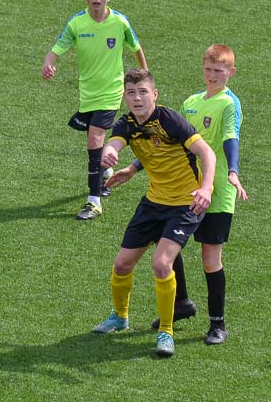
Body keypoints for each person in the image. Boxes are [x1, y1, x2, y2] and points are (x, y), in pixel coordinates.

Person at [110, 45, 247, 345]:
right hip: (184, 188)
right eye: (208, 70)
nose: (212, 76)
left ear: (230, 73)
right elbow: (168, 144)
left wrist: (233, 172)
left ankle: (217, 324)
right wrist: (134, 167)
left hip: (217, 188)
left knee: (210, 259)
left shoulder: (228, 103)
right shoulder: (191, 102)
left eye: (219, 71)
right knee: (167, 247)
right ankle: (181, 303)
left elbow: (229, 139)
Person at [92, 68, 215, 358]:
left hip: (185, 203)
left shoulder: (170, 120)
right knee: (122, 264)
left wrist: (206, 189)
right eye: (131, 93)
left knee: (161, 264)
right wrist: (112, 154)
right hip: (153, 202)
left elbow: (206, 153)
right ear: (125, 97)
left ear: (154, 95)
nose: (137, 98)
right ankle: (119, 318)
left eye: (143, 92)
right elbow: (117, 143)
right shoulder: (126, 124)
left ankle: (166, 332)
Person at [42, 0, 147, 220]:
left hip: (111, 91)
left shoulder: (120, 22)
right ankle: (106, 172)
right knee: (92, 138)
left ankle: (94, 201)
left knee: (94, 139)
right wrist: (49, 64)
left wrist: (144, 77)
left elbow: (136, 49)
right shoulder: (77, 23)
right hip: (87, 93)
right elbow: (55, 50)